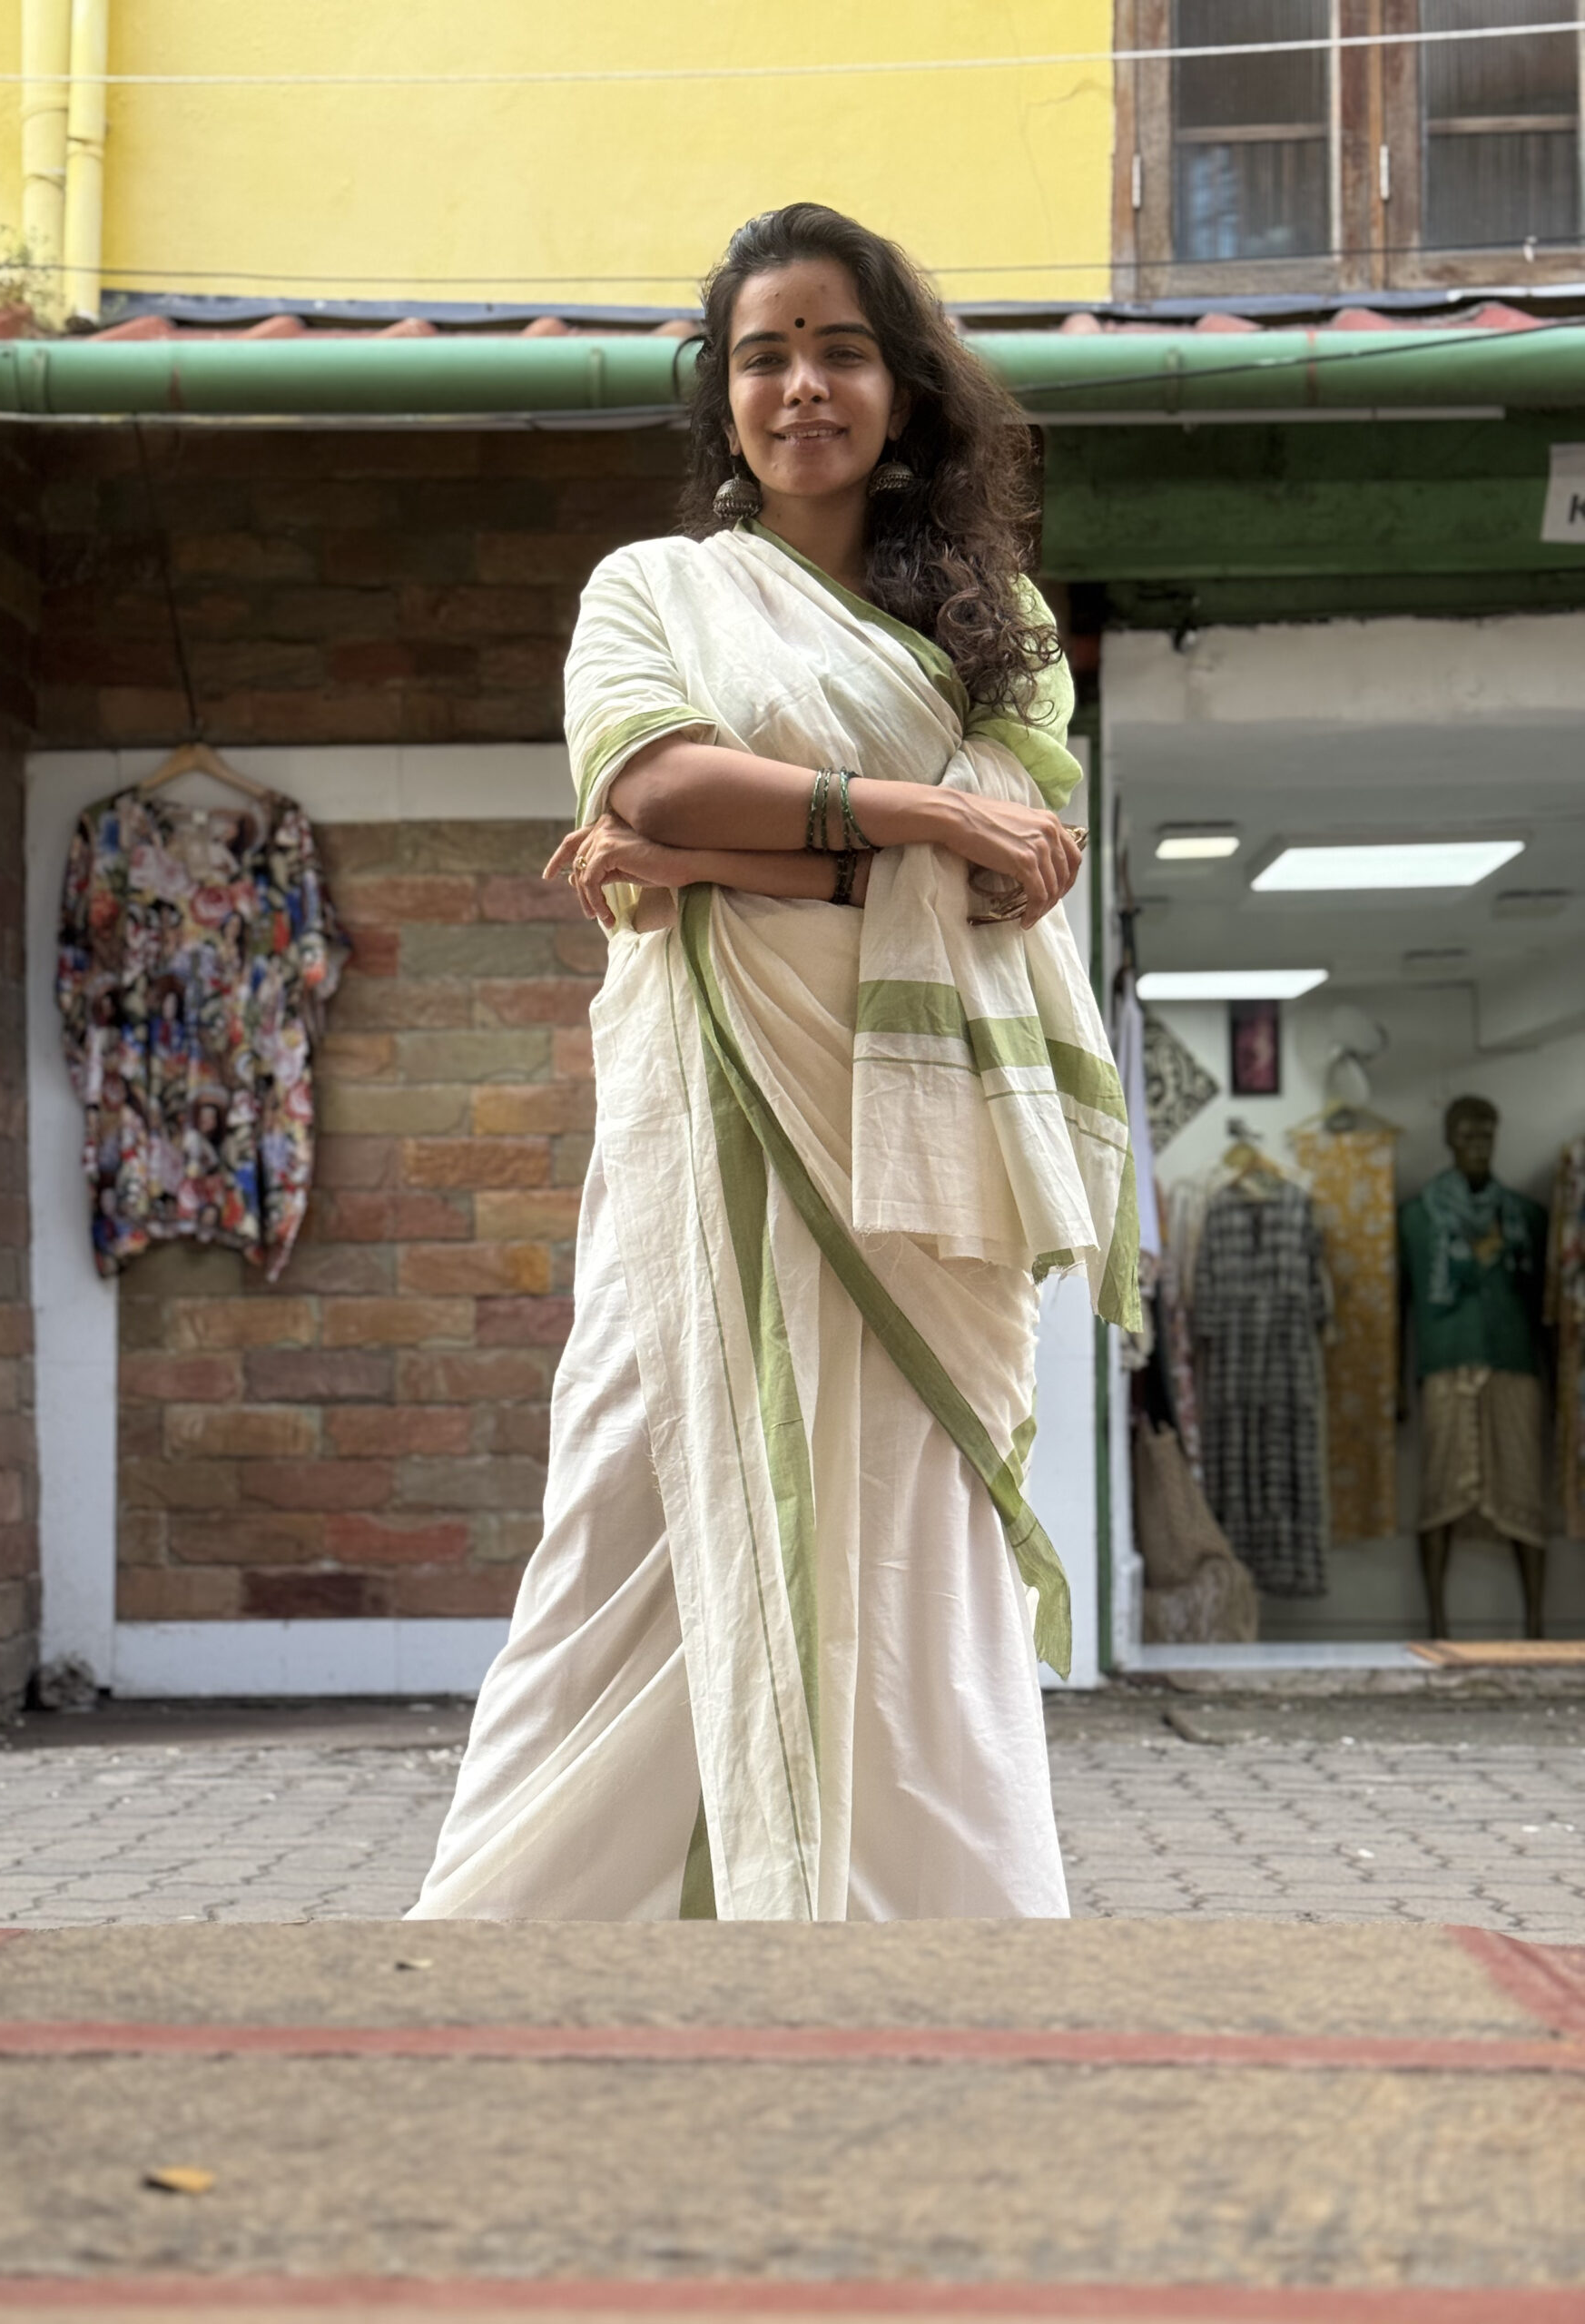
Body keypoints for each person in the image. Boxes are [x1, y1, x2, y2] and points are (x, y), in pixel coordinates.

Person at [408, 203, 1137, 1925]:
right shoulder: (651, 591)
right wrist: (904, 817)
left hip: (914, 1169)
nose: (803, 385)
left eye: (840, 350)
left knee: (896, 1542)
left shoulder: (1006, 629)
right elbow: (652, 779)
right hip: (706, 1138)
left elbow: (1005, 881)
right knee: (629, 1517)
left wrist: (715, 858)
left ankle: (918, 1942)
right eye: (764, 356)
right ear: (723, 397)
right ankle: (525, 1947)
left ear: (905, 388)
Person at [1401, 1095, 1549, 1637]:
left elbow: (1547, 1311)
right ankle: (1437, 1624)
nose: (1478, 1146)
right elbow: (1399, 1307)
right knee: (1438, 1489)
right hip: (1445, 1364)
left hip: (1514, 1366)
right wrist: (1395, 1386)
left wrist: (1558, 1384)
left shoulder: (1526, 1217)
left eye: (1487, 1134)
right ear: (1449, 1140)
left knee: (1524, 1488)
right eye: (1467, 1135)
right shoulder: (1417, 1218)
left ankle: (1535, 1625)